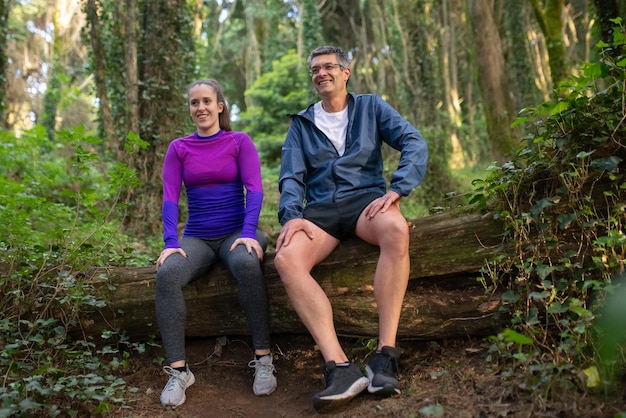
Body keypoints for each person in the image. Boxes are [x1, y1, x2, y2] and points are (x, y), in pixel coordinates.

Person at [274, 45, 428, 413]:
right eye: (315, 69)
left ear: (346, 72)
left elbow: (413, 141)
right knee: (286, 259)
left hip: (365, 202)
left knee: (395, 229)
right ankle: (340, 368)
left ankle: (385, 356)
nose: (321, 73)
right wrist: (292, 214)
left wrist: (397, 189)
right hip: (322, 210)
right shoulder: (302, 123)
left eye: (328, 66)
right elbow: (291, 176)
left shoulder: (372, 107)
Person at [155, 79, 277, 408]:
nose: (201, 107)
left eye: (207, 101)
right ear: (190, 109)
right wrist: (170, 241)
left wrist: (249, 233)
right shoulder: (179, 148)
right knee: (167, 273)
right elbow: (169, 198)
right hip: (198, 237)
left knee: (247, 263)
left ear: (220, 106)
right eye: (194, 103)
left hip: (238, 230)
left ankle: (263, 359)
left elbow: (255, 190)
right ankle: (179, 371)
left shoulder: (239, 141)